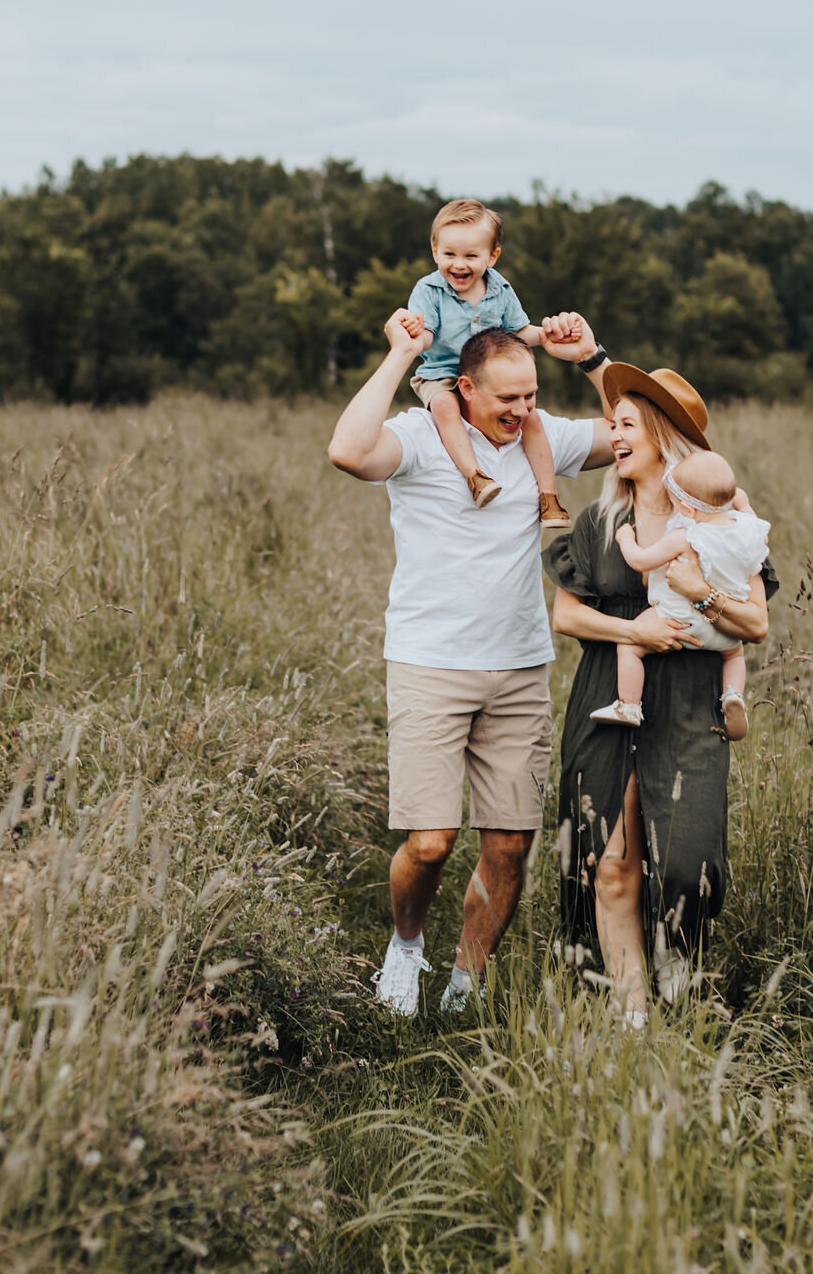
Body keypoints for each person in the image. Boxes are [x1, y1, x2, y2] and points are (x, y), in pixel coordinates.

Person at [327, 312, 615, 1018]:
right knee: (429, 842)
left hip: (518, 669)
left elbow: (646, 435)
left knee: (511, 844)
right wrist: (400, 356)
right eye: (506, 400)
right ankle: (405, 947)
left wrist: (594, 361)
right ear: (464, 387)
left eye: (531, 396)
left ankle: (466, 980)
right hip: (429, 663)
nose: (522, 411)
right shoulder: (425, 436)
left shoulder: (542, 436)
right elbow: (346, 450)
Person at [542, 361, 775, 1023]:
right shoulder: (597, 520)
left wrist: (703, 592)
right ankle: (634, 1014)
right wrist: (631, 626)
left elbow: (756, 624)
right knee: (610, 863)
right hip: (609, 690)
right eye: (611, 425)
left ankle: (680, 978)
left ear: (664, 435)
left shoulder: (724, 515)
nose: (612, 436)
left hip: (692, 699)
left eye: (626, 425)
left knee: (686, 866)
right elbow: (566, 617)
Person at [400, 198, 577, 527]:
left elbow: (519, 332)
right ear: (435, 250)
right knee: (443, 406)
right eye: (449, 254)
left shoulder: (501, 289)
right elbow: (427, 334)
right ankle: (476, 477)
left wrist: (549, 334)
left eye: (471, 256)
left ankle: (549, 498)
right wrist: (414, 337)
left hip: (489, 380)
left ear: (492, 256)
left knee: (532, 418)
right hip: (443, 375)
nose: (459, 265)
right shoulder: (428, 289)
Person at [590, 450, 771, 742]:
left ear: (687, 510)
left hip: (680, 619)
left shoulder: (686, 537)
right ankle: (733, 695)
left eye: (675, 503)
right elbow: (745, 505)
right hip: (725, 625)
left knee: (628, 647)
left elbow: (640, 561)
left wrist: (626, 539)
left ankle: (629, 705)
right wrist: (741, 500)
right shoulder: (751, 530)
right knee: (735, 654)